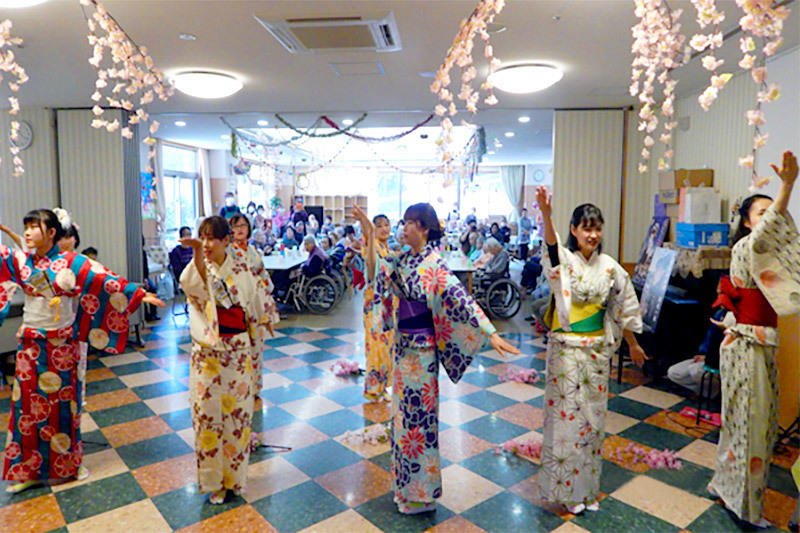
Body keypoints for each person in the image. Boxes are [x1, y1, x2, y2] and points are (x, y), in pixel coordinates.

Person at [351, 202, 519, 515]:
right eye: (404, 222)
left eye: (411, 223)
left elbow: (462, 299)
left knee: (421, 423)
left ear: (425, 229)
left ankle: (422, 495)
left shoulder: (434, 265)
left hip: (423, 354)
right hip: (402, 350)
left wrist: (490, 332)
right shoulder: (402, 259)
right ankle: (405, 489)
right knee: (402, 421)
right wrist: (369, 231)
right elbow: (374, 271)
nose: (404, 228)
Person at [1, 208, 163, 493]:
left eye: (33, 227)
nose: (26, 232)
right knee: (25, 409)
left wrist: (136, 293)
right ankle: (28, 470)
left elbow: (103, 279)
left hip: (62, 345)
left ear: (52, 233)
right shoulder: (21, 261)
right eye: (25, 227)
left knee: (64, 407)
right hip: (29, 344)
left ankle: (68, 466)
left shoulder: (72, 262)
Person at [535, 186, 647, 515]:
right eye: (586, 228)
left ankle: (587, 489)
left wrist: (634, 343)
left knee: (592, 422)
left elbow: (623, 306)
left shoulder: (610, 267)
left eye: (597, 228)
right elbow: (552, 249)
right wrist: (546, 214)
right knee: (567, 421)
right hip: (567, 353)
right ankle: (566, 491)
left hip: (597, 351)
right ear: (574, 230)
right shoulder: (566, 259)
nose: (593, 234)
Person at [708, 151, 799, 528]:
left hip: (753, 344)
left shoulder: (761, 253)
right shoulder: (750, 247)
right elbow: (769, 232)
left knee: (743, 425)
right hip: (747, 343)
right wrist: (787, 186)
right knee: (751, 427)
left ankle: (723, 484)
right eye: (760, 213)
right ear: (747, 223)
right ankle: (744, 507)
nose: (770, 218)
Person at [179, 216, 278, 505]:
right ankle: (213, 482)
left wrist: (265, 319)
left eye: (211, 239)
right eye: (202, 238)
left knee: (237, 415)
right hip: (208, 352)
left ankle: (235, 478)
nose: (206, 244)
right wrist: (198, 253)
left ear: (226, 241)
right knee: (207, 415)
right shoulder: (198, 265)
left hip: (237, 348)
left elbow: (257, 297)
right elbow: (195, 286)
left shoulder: (242, 265)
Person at [362, 214, 396, 402]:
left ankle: (384, 386)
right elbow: (371, 265)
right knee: (375, 346)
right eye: (379, 226)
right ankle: (373, 388)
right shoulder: (372, 246)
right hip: (375, 303)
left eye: (386, 224)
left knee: (387, 346)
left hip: (388, 303)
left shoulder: (387, 248)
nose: (384, 228)